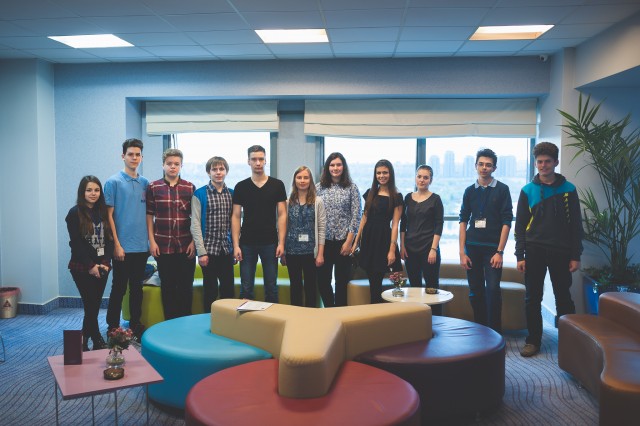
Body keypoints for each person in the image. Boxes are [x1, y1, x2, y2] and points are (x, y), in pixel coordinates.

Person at [515, 142, 583, 357]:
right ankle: (533, 340)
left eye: (547, 161)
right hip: (534, 250)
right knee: (532, 298)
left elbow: (576, 225)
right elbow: (520, 226)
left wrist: (575, 255)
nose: (543, 165)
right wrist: (520, 255)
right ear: (535, 163)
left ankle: (569, 341)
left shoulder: (569, 189)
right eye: (539, 162)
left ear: (556, 162)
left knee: (563, 297)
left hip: (561, 251)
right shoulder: (527, 190)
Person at [459, 148, 512, 333]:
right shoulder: (469, 191)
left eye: (488, 165)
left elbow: (507, 222)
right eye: (481, 164)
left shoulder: (502, 189)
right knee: (475, 291)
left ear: (494, 168)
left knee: (493, 291)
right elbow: (463, 221)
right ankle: (480, 331)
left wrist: (500, 251)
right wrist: (462, 252)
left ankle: (495, 333)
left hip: (492, 250)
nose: (484, 168)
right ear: (475, 166)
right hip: (472, 248)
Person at [104, 138, 149, 340]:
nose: (134, 157)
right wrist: (116, 244)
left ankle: (135, 324)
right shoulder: (113, 182)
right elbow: (108, 216)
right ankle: (112, 326)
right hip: (122, 247)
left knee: (137, 288)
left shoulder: (145, 183)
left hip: (141, 246)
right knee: (119, 288)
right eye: (130, 154)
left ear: (141, 157)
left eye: (137, 154)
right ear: (123, 156)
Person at [232, 145, 287, 302]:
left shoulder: (277, 185)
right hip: (246, 243)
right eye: (254, 159)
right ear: (248, 161)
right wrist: (236, 245)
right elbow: (236, 216)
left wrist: (281, 243)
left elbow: (282, 215)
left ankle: (271, 318)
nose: (258, 163)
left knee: (271, 288)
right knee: (246, 289)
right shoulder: (241, 186)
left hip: (270, 243)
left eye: (261, 159)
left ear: (265, 160)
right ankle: (247, 318)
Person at [147, 148, 196, 320]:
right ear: (163, 165)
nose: (173, 167)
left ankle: (185, 323)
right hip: (163, 246)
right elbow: (149, 215)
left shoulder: (189, 187)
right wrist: (152, 241)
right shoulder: (153, 187)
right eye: (169, 164)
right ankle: (170, 325)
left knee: (185, 288)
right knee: (168, 287)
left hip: (186, 246)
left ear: (181, 166)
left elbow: (195, 218)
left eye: (176, 164)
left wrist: (194, 242)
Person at [66, 176, 113, 351]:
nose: (93, 193)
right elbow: (76, 243)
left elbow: (110, 240)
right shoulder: (74, 213)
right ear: (82, 192)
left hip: (103, 266)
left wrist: (106, 263)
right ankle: (97, 338)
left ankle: (84, 338)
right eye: (89, 190)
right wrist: (90, 266)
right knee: (90, 304)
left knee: (93, 305)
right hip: (81, 267)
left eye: (96, 190)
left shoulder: (104, 212)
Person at [352, 159, 403, 304]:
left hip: (383, 240)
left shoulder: (396, 196)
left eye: (385, 172)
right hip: (369, 239)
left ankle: (377, 310)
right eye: (378, 173)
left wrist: (392, 250)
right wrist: (356, 242)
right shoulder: (370, 192)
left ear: (390, 174)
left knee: (378, 281)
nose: (381, 176)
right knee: (372, 281)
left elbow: (395, 224)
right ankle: (374, 309)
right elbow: (364, 218)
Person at [316, 153, 361, 307]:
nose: (335, 168)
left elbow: (356, 216)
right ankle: (329, 309)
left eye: (338, 164)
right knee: (323, 281)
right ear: (327, 168)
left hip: (344, 241)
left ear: (343, 167)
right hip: (324, 242)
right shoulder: (319, 188)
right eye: (332, 165)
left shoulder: (352, 188)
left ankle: (340, 312)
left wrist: (349, 242)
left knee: (342, 281)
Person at [191, 156, 236, 313]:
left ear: (226, 171)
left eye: (221, 169)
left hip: (227, 250)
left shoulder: (232, 194)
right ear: (208, 172)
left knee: (228, 289)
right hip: (208, 251)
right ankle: (209, 320)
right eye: (214, 169)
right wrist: (201, 252)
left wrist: (235, 247)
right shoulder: (199, 194)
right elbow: (195, 224)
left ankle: (227, 321)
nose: (218, 172)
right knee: (210, 290)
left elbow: (235, 223)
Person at [400, 165, 444, 315]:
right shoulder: (408, 198)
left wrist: (433, 249)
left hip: (429, 249)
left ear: (431, 180)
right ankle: (417, 320)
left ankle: (436, 320)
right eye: (419, 176)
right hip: (410, 249)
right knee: (414, 288)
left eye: (426, 177)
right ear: (415, 178)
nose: (422, 180)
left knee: (432, 288)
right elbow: (403, 224)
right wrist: (402, 246)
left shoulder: (436, 199)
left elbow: (439, 225)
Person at [283, 166, 326, 307]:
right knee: (295, 286)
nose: (302, 181)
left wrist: (320, 254)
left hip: (310, 253)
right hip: (291, 252)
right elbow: (282, 227)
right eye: (299, 177)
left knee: (310, 287)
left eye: (306, 178)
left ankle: (310, 316)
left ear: (310, 180)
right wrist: (283, 251)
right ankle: (295, 316)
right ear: (294, 180)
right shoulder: (288, 202)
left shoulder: (318, 201)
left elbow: (321, 228)